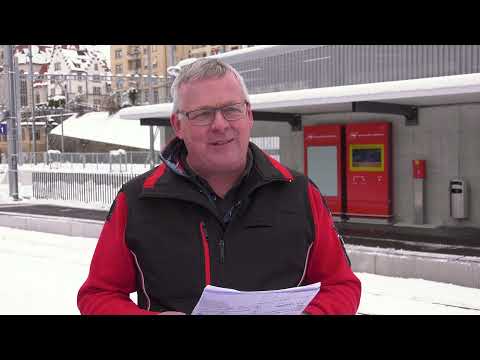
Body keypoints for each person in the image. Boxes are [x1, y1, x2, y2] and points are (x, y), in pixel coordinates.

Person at [77, 58, 361, 315]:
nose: (220, 124)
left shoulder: (298, 192)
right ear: (178, 124)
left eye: (231, 109)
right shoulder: (138, 200)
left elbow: (341, 285)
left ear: (248, 115)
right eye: (202, 114)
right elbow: (97, 295)